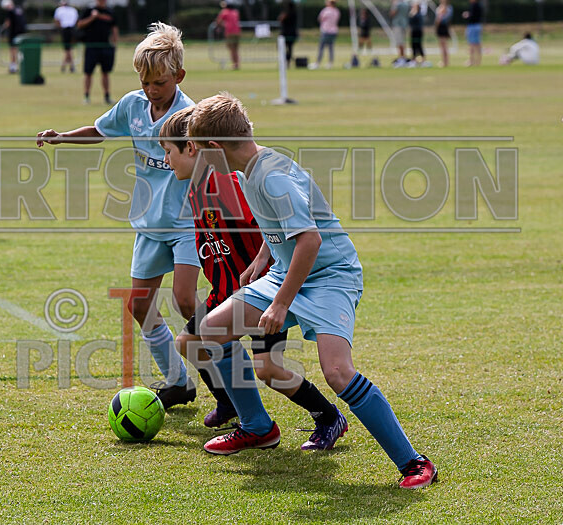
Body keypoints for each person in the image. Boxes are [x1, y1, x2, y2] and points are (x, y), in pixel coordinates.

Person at [189, 92, 438, 489]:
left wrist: (280, 304)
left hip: (330, 275)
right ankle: (257, 427)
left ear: (216, 147)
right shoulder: (250, 168)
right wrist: (262, 258)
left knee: (337, 371)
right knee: (213, 329)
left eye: (201, 151)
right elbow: (281, 226)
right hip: (287, 271)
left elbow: (310, 239)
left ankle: (414, 462)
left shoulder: (271, 177)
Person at [158, 106, 349, 451]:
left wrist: (264, 271)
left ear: (192, 148)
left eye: (168, 151)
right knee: (191, 341)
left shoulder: (227, 184)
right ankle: (237, 408)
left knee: (268, 369)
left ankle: (327, 416)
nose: (165, 160)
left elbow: (276, 224)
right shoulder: (197, 188)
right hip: (228, 291)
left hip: (261, 289)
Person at [37, 23, 199, 410]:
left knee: (186, 301)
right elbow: (100, 129)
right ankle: (178, 382)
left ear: (179, 76)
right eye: (145, 82)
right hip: (149, 223)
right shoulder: (132, 105)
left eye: (159, 82)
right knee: (139, 307)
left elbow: (216, 159)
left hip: (186, 224)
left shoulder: (191, 115)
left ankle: (228, 386)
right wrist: (63, 137)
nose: (151, 89)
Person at [77, 0, 117, 104]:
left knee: (105, 73)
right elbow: (80, 24)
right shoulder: (89, 10)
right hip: (91, 46)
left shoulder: (110, 11)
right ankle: (86, 96)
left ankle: (107, 96)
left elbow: (114, 27)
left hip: (105, 46)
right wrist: (92, 17)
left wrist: (114, 42)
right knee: (88, 73)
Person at [312, 0, 340, 69]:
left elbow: (320, 19)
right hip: (334, 31)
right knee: (331, 47)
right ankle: (330, 63)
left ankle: (317, 63)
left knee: (321, 47)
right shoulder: (336, 11)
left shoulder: (326, 10)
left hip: (326, 31)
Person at [54, 0, 78, 73]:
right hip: (72, 30)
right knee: (69, 49)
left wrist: (60, 28)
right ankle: (70, 66)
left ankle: (66, 66)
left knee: (68, 49)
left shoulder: (59, 10)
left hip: (65, 30)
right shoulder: (73, 10)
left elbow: (57, 20)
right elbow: (76, 20)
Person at [215, 1, 241, 70]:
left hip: (229, 32)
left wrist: (221, 27)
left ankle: (235, 64)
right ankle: (237, 64)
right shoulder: (236, 12)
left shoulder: (225, 12)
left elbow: (218, 21)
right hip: (237, 32)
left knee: (232, 50)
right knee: (236, 49)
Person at [2, 0, 26, 74]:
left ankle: (13, 67)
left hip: (13, 33)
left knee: (13, 50)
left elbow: (8, 23)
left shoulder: (10, 11)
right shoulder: (19, 9)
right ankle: (23, 66)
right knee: (21, 50)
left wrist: (4, 27)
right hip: (22, 33)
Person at [462, 0, 482, 66]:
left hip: (473, 26)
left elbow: (472, 17)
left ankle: (471, 61)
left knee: (472, 44)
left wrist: (467, 15)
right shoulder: (478, 5)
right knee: (477, 44)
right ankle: (478, 61)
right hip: (478, 26)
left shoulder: (474, 5)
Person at [278, 1, 298, 67]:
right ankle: (287, 61)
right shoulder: (294, 13)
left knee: (283, 48)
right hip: (292, 33)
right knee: (289, 48)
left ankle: (286, 60)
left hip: (286, 33)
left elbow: (280, 19)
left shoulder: (287, 14)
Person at [435, 0, 452, 67]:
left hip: (443, 27)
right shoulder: (440, 7)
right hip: (441, 27)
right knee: (442, 45)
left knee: (444, 45)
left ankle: (445, 62)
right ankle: (444, 61)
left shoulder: (447, 8)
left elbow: (440, 18)